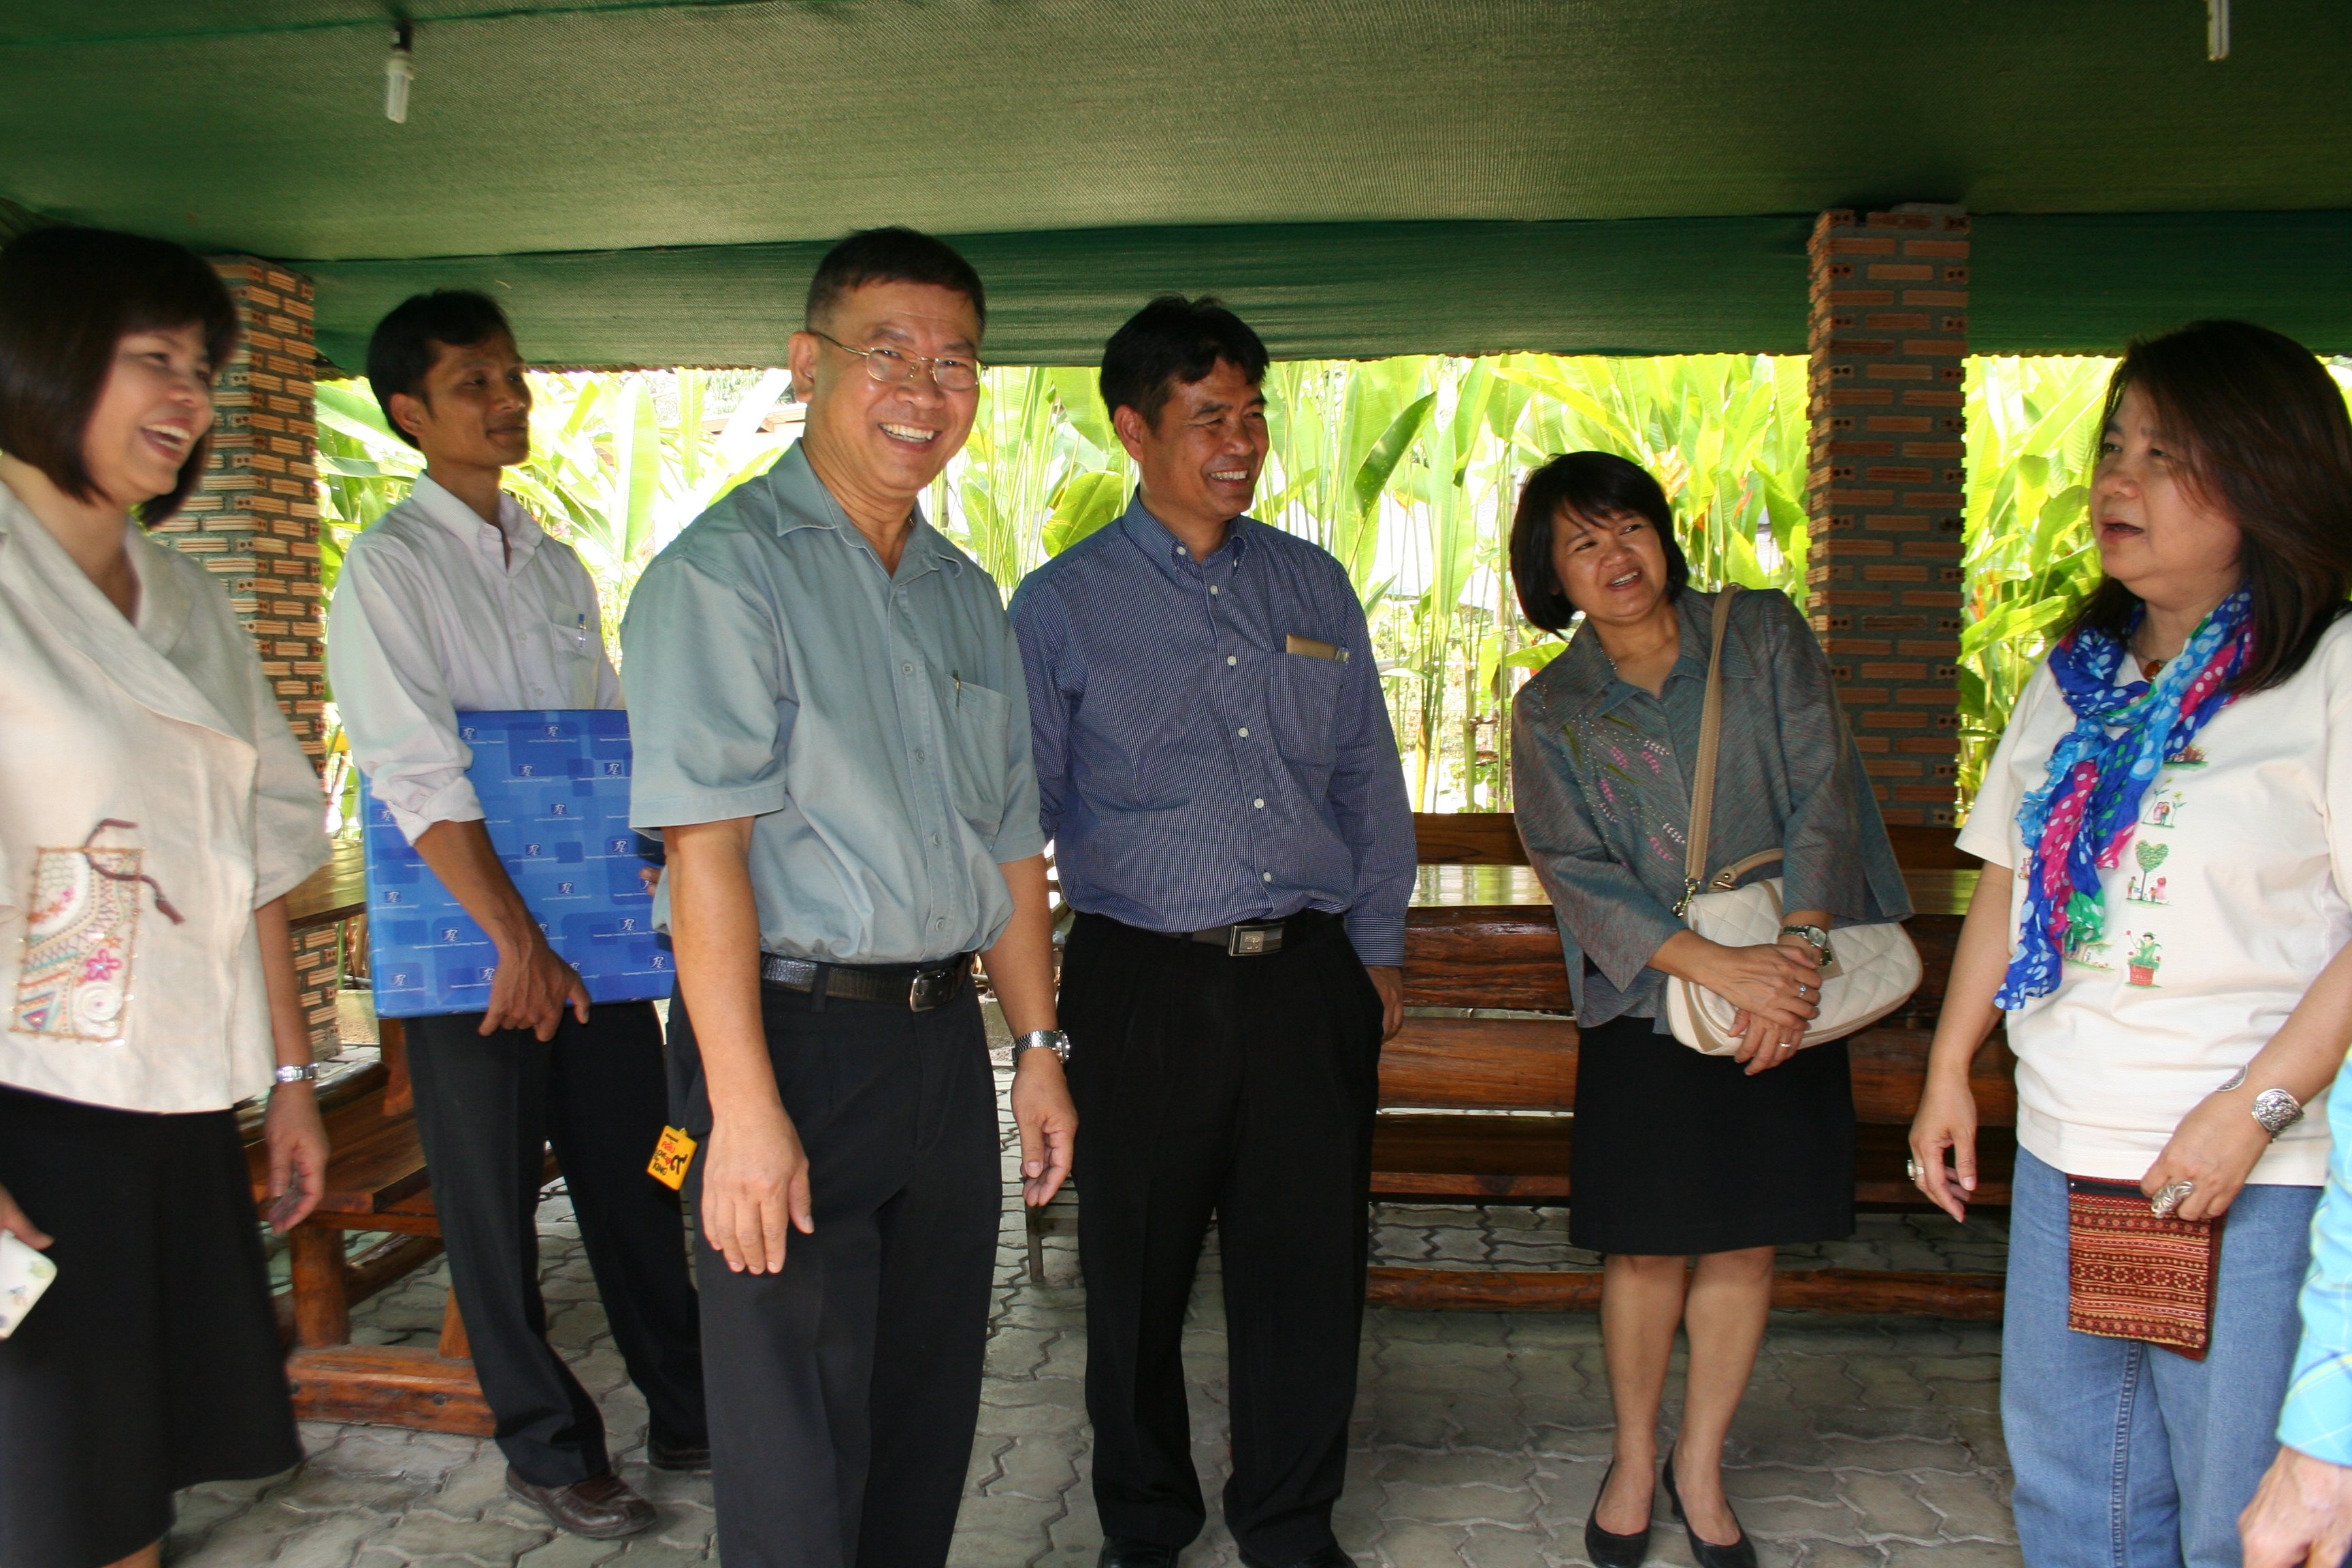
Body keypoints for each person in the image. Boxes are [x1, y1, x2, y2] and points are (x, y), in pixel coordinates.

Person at [619, 227, 1077, 1568]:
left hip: (939, 1048)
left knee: (924, 1408)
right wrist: (743, 1112)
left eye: (955, 364)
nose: (923, 392)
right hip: (785, 1041)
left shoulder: (962, 594)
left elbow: (1010, 844)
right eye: (889, 354)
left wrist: (1038, 1047)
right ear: (808, 363)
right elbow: (705, 858)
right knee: (795, 1438)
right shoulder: (723, 575)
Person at [1910, 320, 2352, 1568]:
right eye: (2116, 446)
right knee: (2076, 1496)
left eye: (2168, 454)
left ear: (2269, 479)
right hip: (2073, 1150)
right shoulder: (2077, 678)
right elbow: (2009, 878)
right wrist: (1952, 1068)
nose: (2120, 479)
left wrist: (2251, 1113)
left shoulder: (2329, 674)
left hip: (2251, 1178)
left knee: (2237, 1513)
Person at [1009, 296, 1416, 1568]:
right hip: (1143, 983)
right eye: (1206, 419)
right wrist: (1036, 1034)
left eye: (1251, 415)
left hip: (1307, 978)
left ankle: (1288, 1523)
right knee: (1134, 1269)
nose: (1239, 444)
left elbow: (1368, 779)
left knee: (1308, 1270)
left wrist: (1377, 950)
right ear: (1133, 430)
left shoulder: (1312, 584)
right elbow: (1018, 819)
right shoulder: (1061, 606)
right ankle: (1146, 1522)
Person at [327, 290, 705, 1539]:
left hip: (592, 946)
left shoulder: (553, 561)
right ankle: (547, 1449)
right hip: (472, 960)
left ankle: (692, 1406)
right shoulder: (389, 567)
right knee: (490, 1217)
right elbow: (415, 773)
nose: (507, 401)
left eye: (512, 377)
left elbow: (603, 744)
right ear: (409, 412)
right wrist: (516, 945)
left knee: (647, 1173)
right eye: (474, 383)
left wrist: (651, 874)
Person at [1509, 451, 1910, 1568]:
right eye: (1582, 543)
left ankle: (1700, 1463)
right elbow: (1574, 868)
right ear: (1552, 578)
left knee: (1744, 1243)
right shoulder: (1552, 711)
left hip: (1792, 975)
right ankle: (1634, 1458)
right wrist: (1720, 971)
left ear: (1663, 534)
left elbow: (1823, 787)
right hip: (1650, 1005)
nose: (1615, 555)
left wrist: (1797, 957)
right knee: (1644, 1251)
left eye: (1629, 526)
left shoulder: (1761, 633)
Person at [0, 227, 331, 1568]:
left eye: (204, 369)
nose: (190, 398)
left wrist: (292, 1076)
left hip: (174, 1096)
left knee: (135, 1486)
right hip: (27, 1106)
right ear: (45, 357)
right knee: (52, 1500)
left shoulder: (186, 597)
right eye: (156, 360)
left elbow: (247, 847)